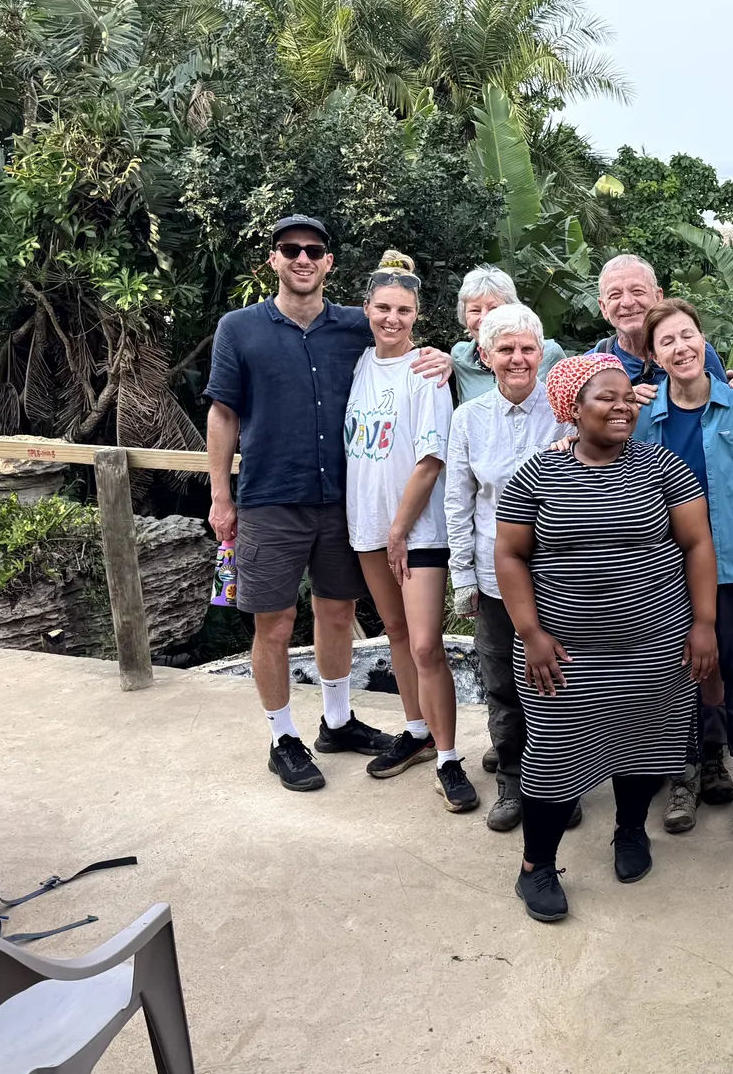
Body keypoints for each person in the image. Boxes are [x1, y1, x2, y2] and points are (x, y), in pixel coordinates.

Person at [206, 215, 452, 792]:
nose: (302, 258)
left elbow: (404, 342)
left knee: (337, 611)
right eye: (290, 249)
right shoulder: (239, 329)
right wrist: (222, 495)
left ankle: (336, 722)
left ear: (328, 263)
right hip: (270, 499)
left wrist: (449, 357)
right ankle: (282, 736)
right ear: (274, 259)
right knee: (274, 622)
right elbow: (223, 413)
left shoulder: (355, 326)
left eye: (313, 250)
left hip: (343, 502)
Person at [493, 353, 722, 923]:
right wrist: (531, 632)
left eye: (628, 397)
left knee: (642, 741)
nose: (623, 407)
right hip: (564, 650)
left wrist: (704, 624)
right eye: (606, 397)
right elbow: (511, 556)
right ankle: (535, 867)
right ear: (572, 408)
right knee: (552, 757)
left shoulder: (663, 467)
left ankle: (629, 833)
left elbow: (697, 545)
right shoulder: (534, 476)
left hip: (655, 642)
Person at [637, 299, 733, 839]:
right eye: (667, 342)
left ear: (703, 340)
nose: (681, 348)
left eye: (688, 336)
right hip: (667, 579)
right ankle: (686, 772)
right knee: (678, 682)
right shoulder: (645, 416)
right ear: (653, 356)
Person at [342, 251, 473, 812]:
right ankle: (416, 731)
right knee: (395, 633)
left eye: (403, 309)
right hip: (365, 525)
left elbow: (430, 460)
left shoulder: (426, 373)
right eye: (382, 307)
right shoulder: (358, 366)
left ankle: (448, 757)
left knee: (424, 644)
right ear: (367, 309)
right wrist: (380, 531)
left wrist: (399, 530)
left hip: (416, 533)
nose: (391, 318)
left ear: (417, 314)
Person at [444, 300, 581, 834]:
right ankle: (511, 781)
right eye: (506, 349)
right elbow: (458, 502)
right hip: (493, 573)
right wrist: (462, 577)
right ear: (485, 354)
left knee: (559, 684)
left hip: (558, 576)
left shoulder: (567, 412)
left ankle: (561, 785)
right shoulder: (468, 419)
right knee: (502, 684)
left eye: (528, 348)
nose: (518, 358)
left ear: (542, 354)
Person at [589, 253, 733, 398]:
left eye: (637, 291)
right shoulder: (589, 365)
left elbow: (723, 412)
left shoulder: (695, 352)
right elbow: (573, 426)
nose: (627, 302)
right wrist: (619, 401)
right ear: (603, 307)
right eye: (615, 295)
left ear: (658, 297)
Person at [451, 265, 565, 403]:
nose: (484, 318)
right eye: (475, 310)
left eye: (494, 309)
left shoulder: (550, 354)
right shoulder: (460, 357)